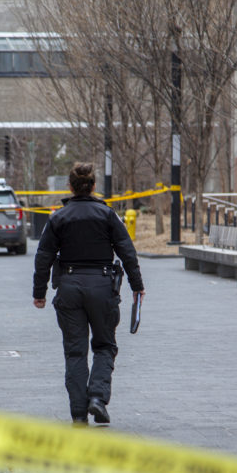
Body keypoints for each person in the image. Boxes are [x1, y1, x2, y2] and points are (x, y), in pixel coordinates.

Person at [32, 162, 145, 425]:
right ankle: (97, 397)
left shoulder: (58, 217)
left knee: (75, 352)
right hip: (103, 286)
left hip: (69, 286)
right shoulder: (108, 215)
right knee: (105, 346)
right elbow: (127, 251)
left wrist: (40, 292)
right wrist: (137, 285)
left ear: (70, 187)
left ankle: (78, 413)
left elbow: (43, 257)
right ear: (93, 186)